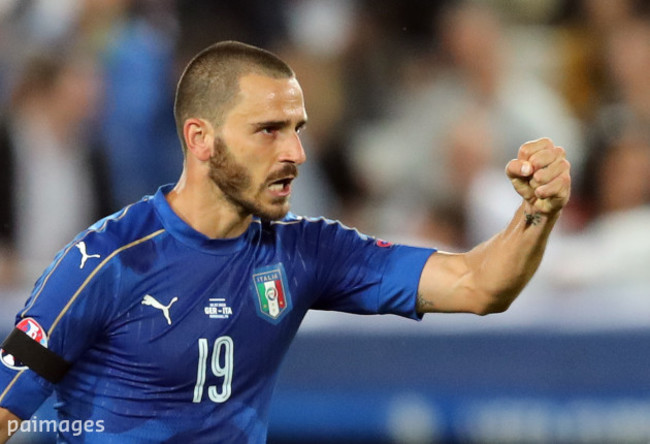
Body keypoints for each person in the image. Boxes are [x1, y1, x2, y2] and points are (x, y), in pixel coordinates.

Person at [0, 41, 571, 443]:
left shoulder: (306, 252)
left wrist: (538, 212)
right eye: (269, 130)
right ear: (200, 139)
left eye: (297, 129)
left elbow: (480, 285)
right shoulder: (108, 261)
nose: (295, 153)